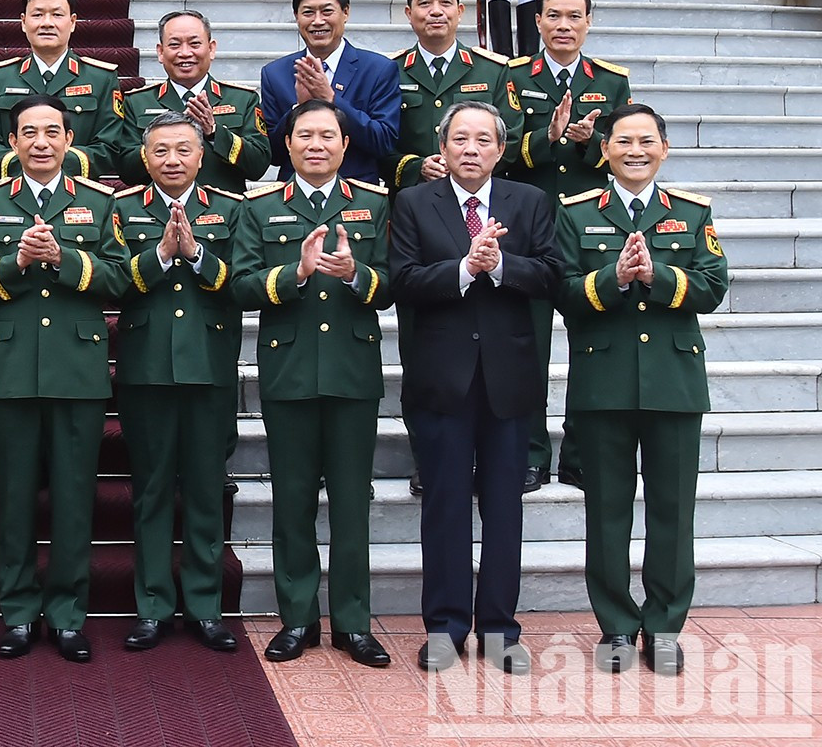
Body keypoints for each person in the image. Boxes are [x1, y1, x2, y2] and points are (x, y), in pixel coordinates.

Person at [555, 105, 728, 677]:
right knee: (606, 512)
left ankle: (664, 626)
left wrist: (658, 277)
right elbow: (561, 289)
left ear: (665, 148)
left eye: (646, 141)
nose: (635, 150)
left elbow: (712, 286)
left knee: (672, 512)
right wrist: (615, 278)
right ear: (604, 149)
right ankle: (617, 628)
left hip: (674, 384)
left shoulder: (691, 212)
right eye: (623, 141)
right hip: (603, 383)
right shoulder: (576, 214)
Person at [390, 101, 559, 674]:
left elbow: (550, 275)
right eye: (459, 138)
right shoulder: (414, 202)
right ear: (442, 146)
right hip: (442, 380)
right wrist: (465, 268)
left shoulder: (529, 202)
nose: (470, 149)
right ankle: (444, 627)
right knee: (443, 505)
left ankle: (500, 630)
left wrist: (501, 263)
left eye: (482, 140)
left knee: (505, 509)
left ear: (500, 149)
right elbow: (403, 282)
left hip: (508, 382)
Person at [0, 95, 127, 663]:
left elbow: (121, 279)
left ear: (69, 140)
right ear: (12, 143)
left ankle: (68, 615)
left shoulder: (100, 204)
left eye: (52, 131)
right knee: (15, 500)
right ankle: (19, 612)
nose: (40, 142)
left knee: (76, 499)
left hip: (77, 371)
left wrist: (64, 261)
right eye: (28, 132)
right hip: (11, 371)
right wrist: (17, 264)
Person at [230, 98, 391, 668]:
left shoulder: (373, 204)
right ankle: (297, 618)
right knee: (292, 501)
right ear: (289, 145)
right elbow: (241, 286)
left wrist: (358, 276)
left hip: (351, 370)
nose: (317, 144)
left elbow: (394, 282)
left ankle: (353, 621)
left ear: (346, 146)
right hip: (290, 369)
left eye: (328, 135)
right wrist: (294, 273)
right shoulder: (261, 207)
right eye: (305, 135)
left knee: (351, 502)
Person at [111, 111, 244, 654]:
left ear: (201, 154)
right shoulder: (119, 210)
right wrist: (162, 255)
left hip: (209, 365)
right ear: (145, 158)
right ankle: (153, 606)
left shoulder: (233, 210)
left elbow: (243, 283)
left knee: (206, 490)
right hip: (145, 368)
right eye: (160, 151)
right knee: (151, 491)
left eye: (183, 150)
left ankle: (206, 606)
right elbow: (116, 278)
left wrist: (196, 254)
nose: (172, 160)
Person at [506, 0, 634, 490]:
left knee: (592, 342)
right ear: (537, 21)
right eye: (553, 16)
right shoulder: (513, 76)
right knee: (528, 347)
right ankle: (532, 452)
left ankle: (581, 449)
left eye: (574, 16)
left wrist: (591, 143)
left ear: (589, 22)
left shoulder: (611, 81)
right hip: (529, 228)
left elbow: (627, 149)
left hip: (590, 230)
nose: (563, 26)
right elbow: (506, 148)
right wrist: (550, 136)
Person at [0, 0, 137, 180]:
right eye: (38, 14)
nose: (47, 23)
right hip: (13, 194)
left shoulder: (101, 78)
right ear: (23, 22)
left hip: (79, 196)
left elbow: (109, 146)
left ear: (73, 22)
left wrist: (52, 168)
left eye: (57, 15)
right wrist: (30, 169)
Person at [258, 0, 399, 184]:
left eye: (327, 11)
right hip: (292, 197)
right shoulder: (275, 73)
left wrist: (332, 100)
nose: (318, 21)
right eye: (308, 12)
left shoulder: (379, 69)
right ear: (296, 16)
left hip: (356, 196)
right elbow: (272, 154)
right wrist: (298, 107)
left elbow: (384, 141)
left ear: (346, 12)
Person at [386, 0, 518, 193]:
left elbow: (512, 136)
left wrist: (465, 168)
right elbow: (379, 143)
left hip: (478, 197)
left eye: (445, 2)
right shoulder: (389, 70)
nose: (436, 11)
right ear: (409, 13)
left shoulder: (492, 70)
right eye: (425, 3)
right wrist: (416, 167)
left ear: (459, 11)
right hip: (411, 198)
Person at [120, 9, 269, 195]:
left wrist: (215, 133)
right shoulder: (137, 102)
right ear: (160, 52)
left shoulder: (242, 99)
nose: (185, 53)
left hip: (223, 216)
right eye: (174, 45)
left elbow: (259, 165)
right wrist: (160, 146)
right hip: (159, 216)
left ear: (211, 48)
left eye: (194, 44)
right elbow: (125, 169)